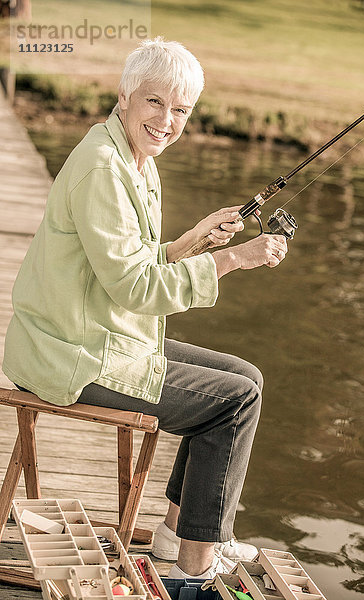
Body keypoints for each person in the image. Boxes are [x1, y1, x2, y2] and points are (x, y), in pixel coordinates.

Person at [2, 37, 288, 578]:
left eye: (181, 110)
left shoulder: (134, 159)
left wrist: (194, 241)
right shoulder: (103, 169)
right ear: (126, 95)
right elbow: (135, 288)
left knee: (244, 376)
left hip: (92, 332)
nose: (167, 121)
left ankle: (177, 535)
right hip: (71, 353)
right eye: (155, 102)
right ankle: (194, 562)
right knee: (234, 401)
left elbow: (130, 263)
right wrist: (234, 260)